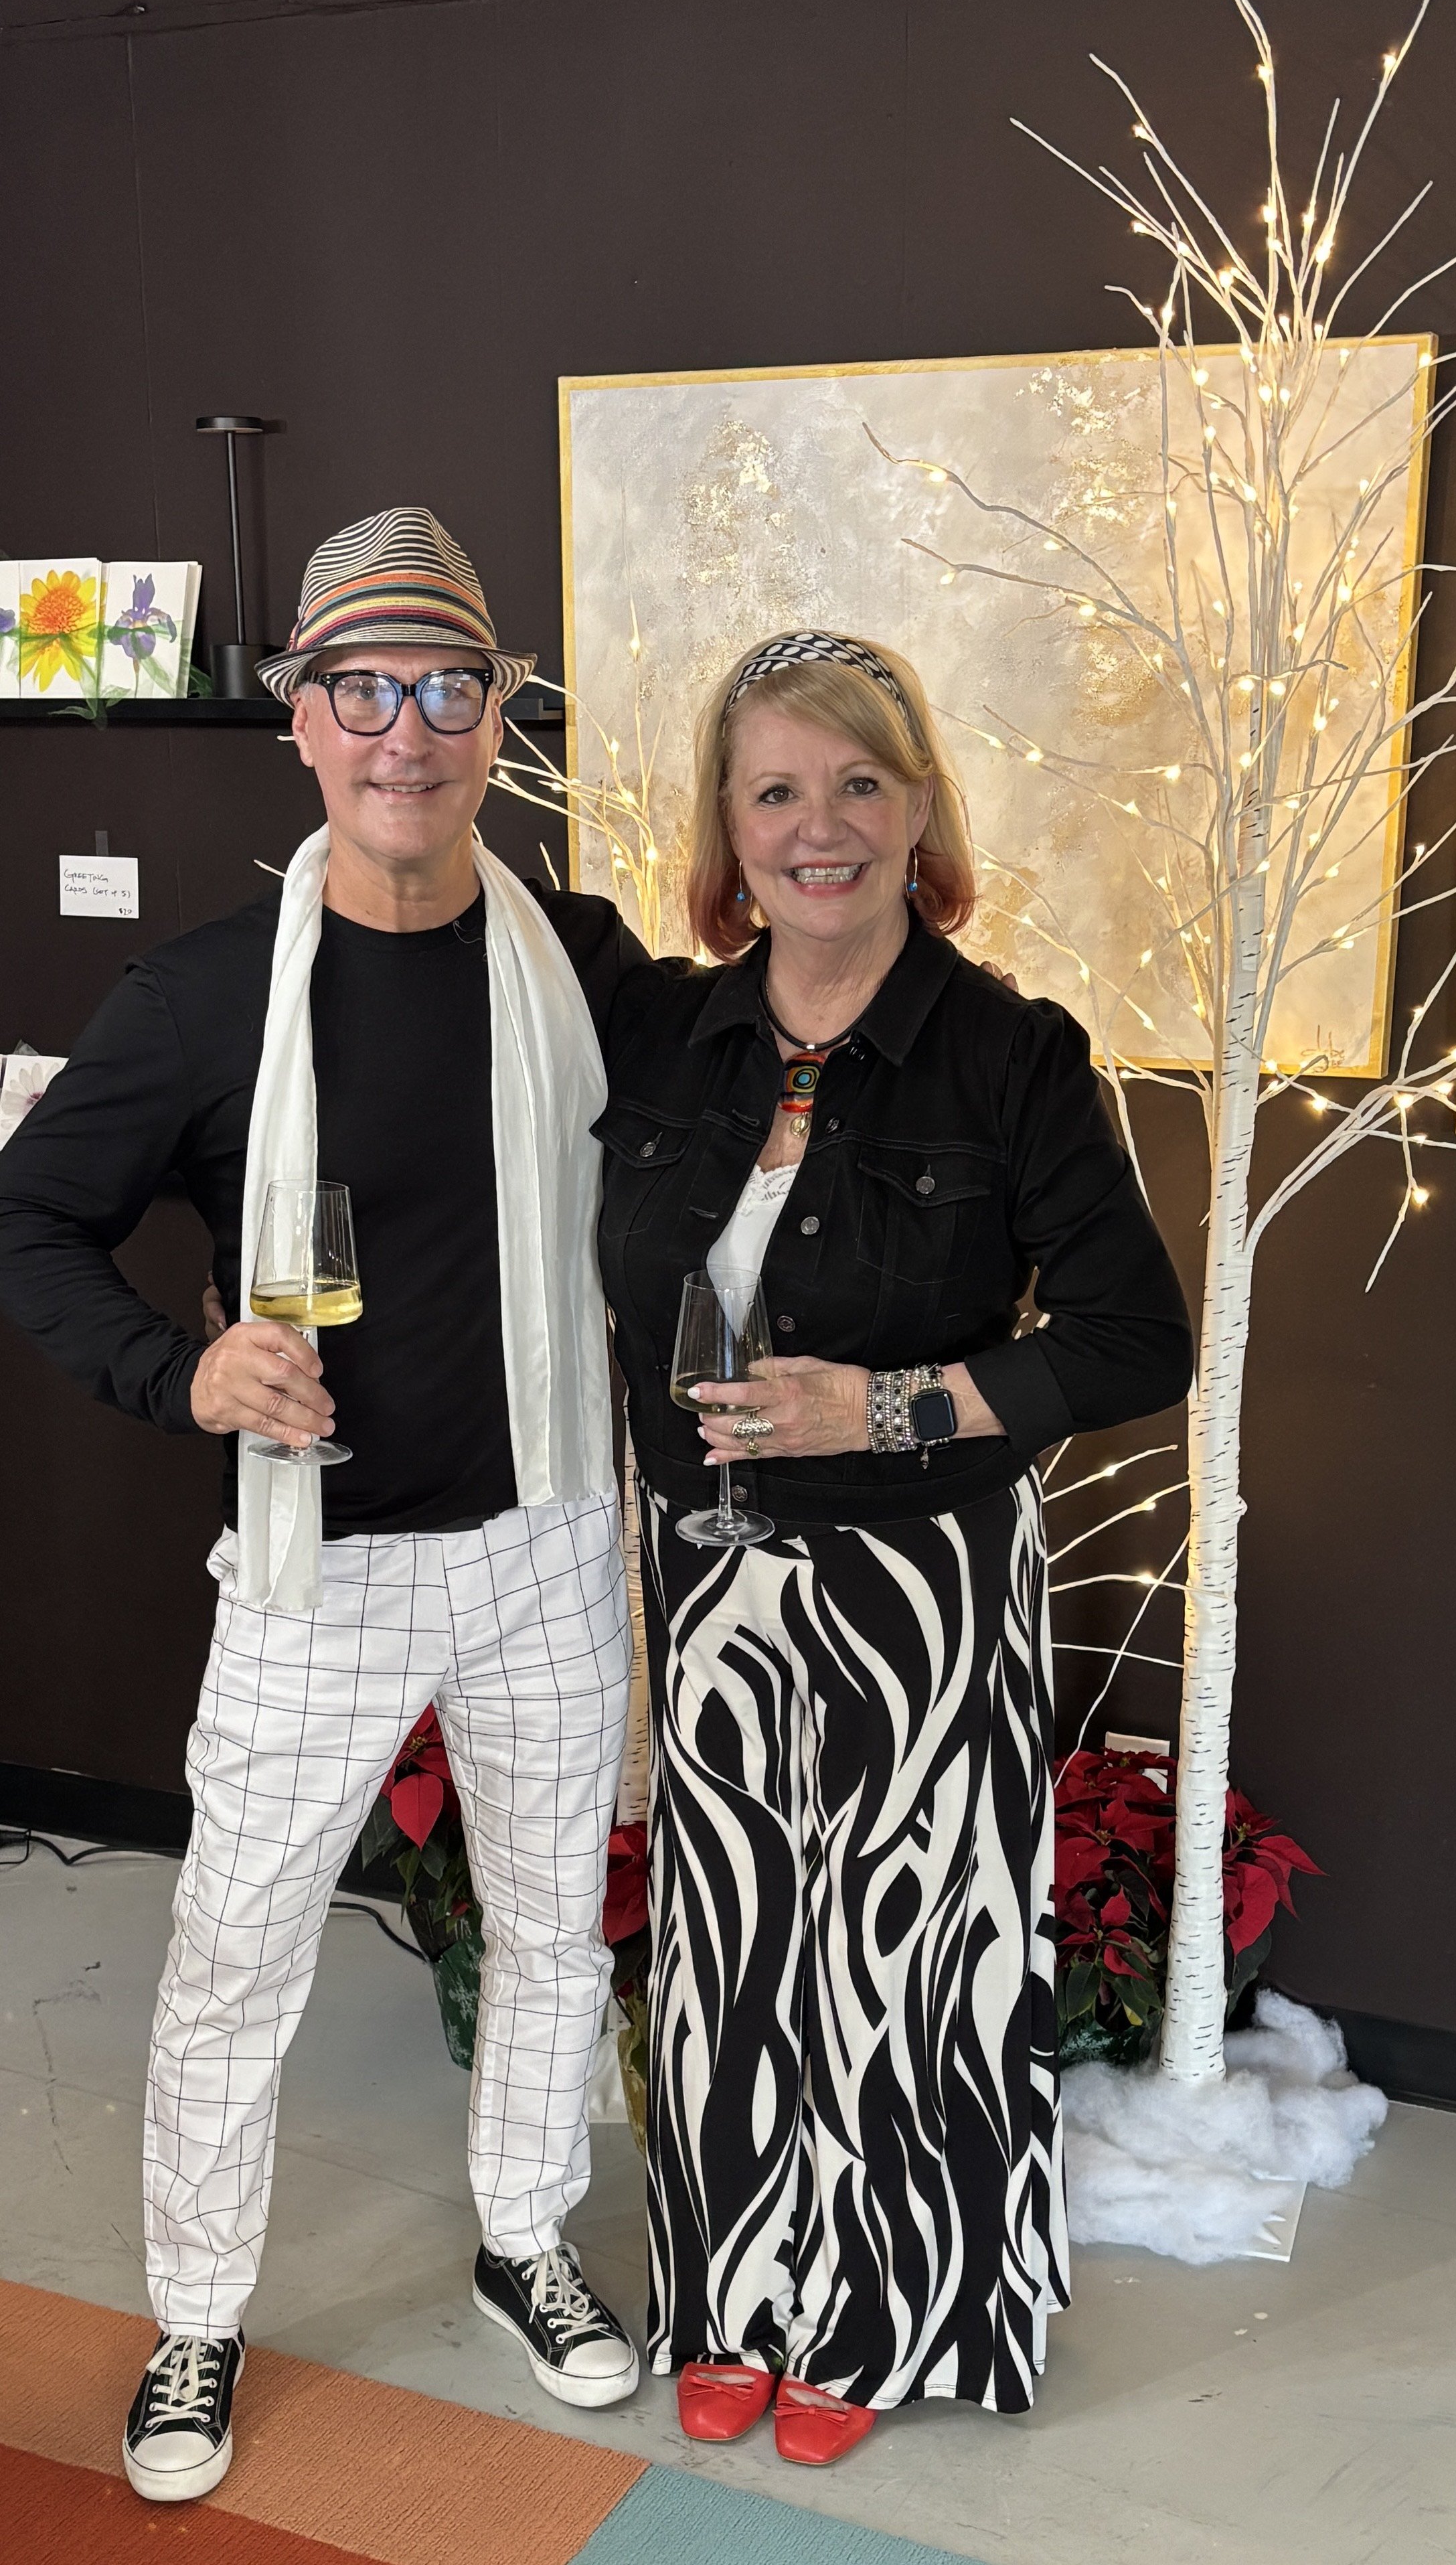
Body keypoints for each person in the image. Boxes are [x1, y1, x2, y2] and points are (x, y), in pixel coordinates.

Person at [0, 509, 651, 2504]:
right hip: (318, 1564)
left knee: (554, 1929)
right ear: (299, 719)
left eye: (447, 689)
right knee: (235, 1953)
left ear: (498, 719)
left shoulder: (583, 966)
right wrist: (181, 1371)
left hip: (549, 1538)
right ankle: (199, 2317)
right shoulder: (205, 1000)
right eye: (364, 690)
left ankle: (524, 2237)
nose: (405, 733)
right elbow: (32, 1220)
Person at [596, 629, 1194, 2465]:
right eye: (776, 790)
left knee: (902, 1948)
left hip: (920, 1582)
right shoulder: (663, 1038)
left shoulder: (1010, 1056)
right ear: (727, 827)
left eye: (860, 783)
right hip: (710, 1563)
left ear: (919, 806)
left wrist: (891, 1408)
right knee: (731, 1938)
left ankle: (878, 2306)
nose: (820, 826)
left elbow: (1134, 1340)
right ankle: (732, 2292)